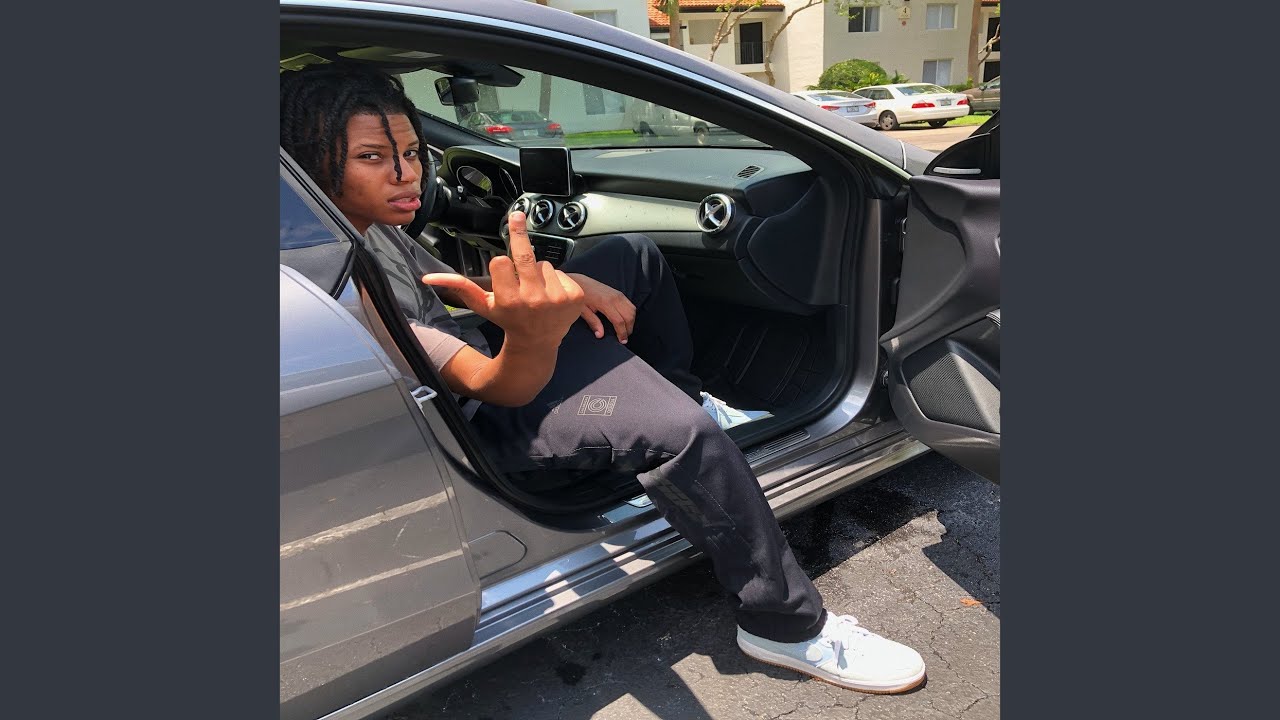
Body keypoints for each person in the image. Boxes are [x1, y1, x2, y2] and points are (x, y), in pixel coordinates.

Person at [280, 62, 926, 694]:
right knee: (680, 431)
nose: (408, 174)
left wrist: (562, 283)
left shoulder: (357, 224)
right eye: (372, 157)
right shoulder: (338, 283)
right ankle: (783, 624)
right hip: (480, 418)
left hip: (475, 354)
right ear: (310, 163)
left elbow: (439, 287)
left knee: (630, 255)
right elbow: (500, 385)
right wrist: (535, 330)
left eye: (411, 152)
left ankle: (689, 412)